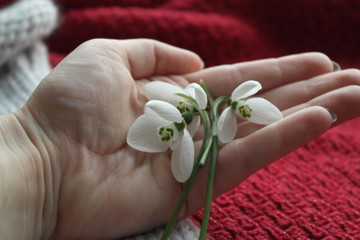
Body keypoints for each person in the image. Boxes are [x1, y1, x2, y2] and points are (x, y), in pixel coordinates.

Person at [0, 38, 359, 240]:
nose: (172, 134)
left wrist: (36, 154)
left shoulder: (215, 118)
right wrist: (41, 147)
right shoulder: (178, 131)